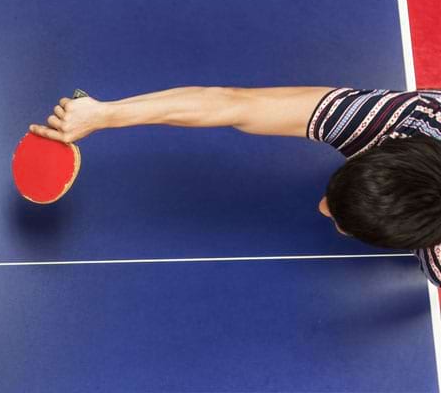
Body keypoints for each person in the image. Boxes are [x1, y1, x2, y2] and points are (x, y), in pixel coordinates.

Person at [29, 86, 441, 286]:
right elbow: (234, 103)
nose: (320, 208)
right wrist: (105, 115)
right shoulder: (399, 119)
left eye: (343, 224)